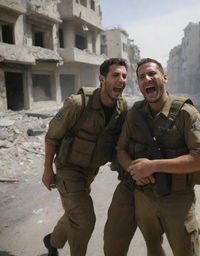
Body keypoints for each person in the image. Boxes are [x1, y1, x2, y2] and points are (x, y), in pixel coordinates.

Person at [116, 58, 200, 256]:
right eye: (142, 77)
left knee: (185, 251)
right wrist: (134, 171)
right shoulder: (135, 113)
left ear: (164, 78)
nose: (147, 79)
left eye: (152, 74)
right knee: (153, 248)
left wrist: (153, 166)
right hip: (144, 198)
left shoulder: (187, 113)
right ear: (139, 85)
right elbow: (120, 149)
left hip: (177, 200)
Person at [42, 58, 128, 256]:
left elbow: (120, 144)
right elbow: (52, 137)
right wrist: (48, 170)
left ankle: (52, 242)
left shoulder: (122, 109)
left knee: (75, 213)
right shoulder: (77, 104)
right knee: (84, 218)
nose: (121, 80)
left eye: (124, 76)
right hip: (68, 169)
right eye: (115, 75)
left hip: (90, 171)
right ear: (102, 79)